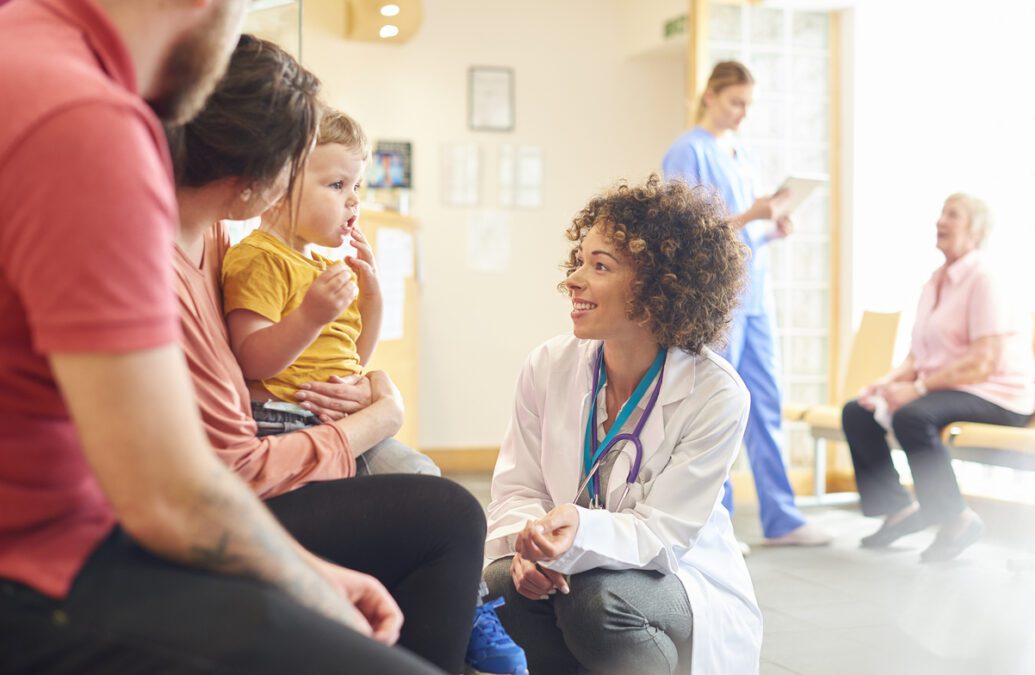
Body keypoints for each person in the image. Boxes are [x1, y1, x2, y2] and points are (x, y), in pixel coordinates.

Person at [0, 2, 440, 673]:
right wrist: (311, 582)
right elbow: (170, 493)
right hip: (51, 567)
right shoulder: (87, 120)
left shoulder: (34, 47)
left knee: (439, 509)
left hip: (93, 530)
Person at [167, 36, 521, 674]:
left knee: (429, 489)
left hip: (303, 438)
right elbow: (251, 393)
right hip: (259, 471)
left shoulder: (220, 235)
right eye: (331, 181)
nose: (351, 200)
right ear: (263, 173)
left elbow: (355, 352)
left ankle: (457, 632)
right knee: (443, 507)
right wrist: (375, 415)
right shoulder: (242, 256)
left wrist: (373, 373)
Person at [484, 176, 763, 675]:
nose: (573, 279)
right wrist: (529, 543)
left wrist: (575, 534)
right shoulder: (548, 365)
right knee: (508, 584)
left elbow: (665, 534)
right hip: (575, 570)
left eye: (600, 266)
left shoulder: (716, 394)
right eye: (579, 260)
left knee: (597, 600)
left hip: (677, 578)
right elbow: (516, 489)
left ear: (658, 288)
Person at [662, 60, 830, 547]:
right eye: (735, 102)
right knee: (718, 405)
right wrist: (750, 213)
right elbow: (685, 232)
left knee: (765, 403)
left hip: (755, 298)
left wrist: (768, 227)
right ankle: (716, 524)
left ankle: (782, 517)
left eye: (748, 105)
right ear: (710, 95)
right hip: (720, 302)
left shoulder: (741, 153)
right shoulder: (687, 151)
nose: (741, 113)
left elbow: (740, 235)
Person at [842, 194, 1035, 562]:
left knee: (912, 415)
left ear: (976, 231)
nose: (940, 221)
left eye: (953, 215)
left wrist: (915, 390)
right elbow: (918, 355)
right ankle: (898, 509)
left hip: (999, 393)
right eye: (941, 213)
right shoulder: (935, 282)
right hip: (951, 386)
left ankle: (956, 519)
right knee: (858, 411)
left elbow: (983, 361)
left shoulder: (985, 278)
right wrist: (886, 384)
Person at [220, 108, 385, 436]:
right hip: (283, 419)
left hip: (332, 422)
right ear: (280, 190)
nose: (354, 200)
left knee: (417, 471)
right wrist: (310, 317)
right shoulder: (259, 259)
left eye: (357, 186)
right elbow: (251, 360)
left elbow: (353, 357)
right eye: (338, 185)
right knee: (417, 471)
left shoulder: (325, 269)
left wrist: (372, 295)